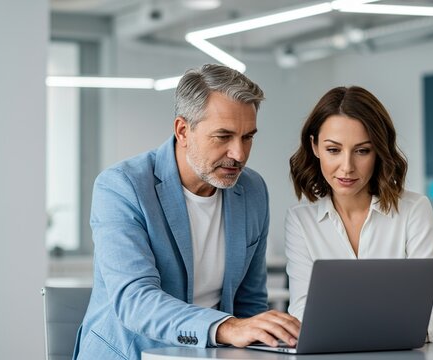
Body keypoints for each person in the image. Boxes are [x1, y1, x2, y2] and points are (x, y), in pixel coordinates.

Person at [73, 64, 300, 360]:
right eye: (223, 136)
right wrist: (227, 327)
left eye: (248, 137)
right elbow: (135, 302)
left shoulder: (252, 190)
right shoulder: (122, 186)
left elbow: (250, 302)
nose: (239, 154)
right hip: (132, 353)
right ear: (183, 130)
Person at [285, 86, 433, 342]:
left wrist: (366, 332)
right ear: (315, 146)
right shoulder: (301, 221)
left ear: (379, 151)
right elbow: (301, 310)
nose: (347, 167)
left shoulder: (413, 210)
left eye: (362, 150)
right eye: (333, 150)